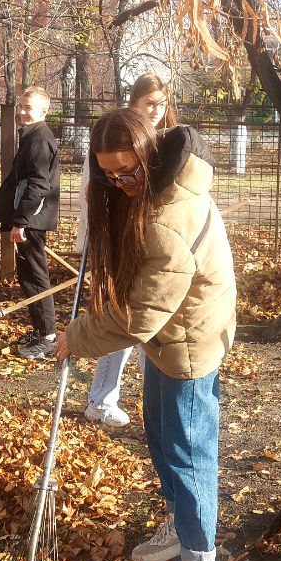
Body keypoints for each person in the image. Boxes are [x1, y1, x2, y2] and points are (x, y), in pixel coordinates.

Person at [56, 107, 235, 561]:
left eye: (128, 171)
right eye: (108, 174)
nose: (120, 182)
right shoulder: (151, 189)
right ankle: (180, 525)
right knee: (159, 435)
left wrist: (79, 335)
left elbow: (139, 318)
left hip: (188, 339)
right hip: (167, 334)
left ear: (149, 155)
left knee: (188, 448)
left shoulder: (168, 219)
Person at [76, 73, 178, 428]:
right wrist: (97, 251)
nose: (156, 110)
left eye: (161, 103)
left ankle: (155, 399)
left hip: (152, 250)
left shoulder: (165, 145)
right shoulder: (114, 140)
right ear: (133, 103)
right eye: (148, 103)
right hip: (116, 250)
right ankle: (101, 400)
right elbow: (95, 198)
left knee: (150, 324)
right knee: (120, 320)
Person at [0, 85, 61, 360]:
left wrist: (21, 220)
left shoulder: (40, 138)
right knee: (28, 276)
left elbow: (39, 185)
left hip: (31, 221)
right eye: (21, 106)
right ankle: (41, 331)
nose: (22, 111)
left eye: (29, 107)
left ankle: (49, 337)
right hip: (28, 219)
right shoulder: (30, 136)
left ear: (43, 111)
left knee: (36, 276)